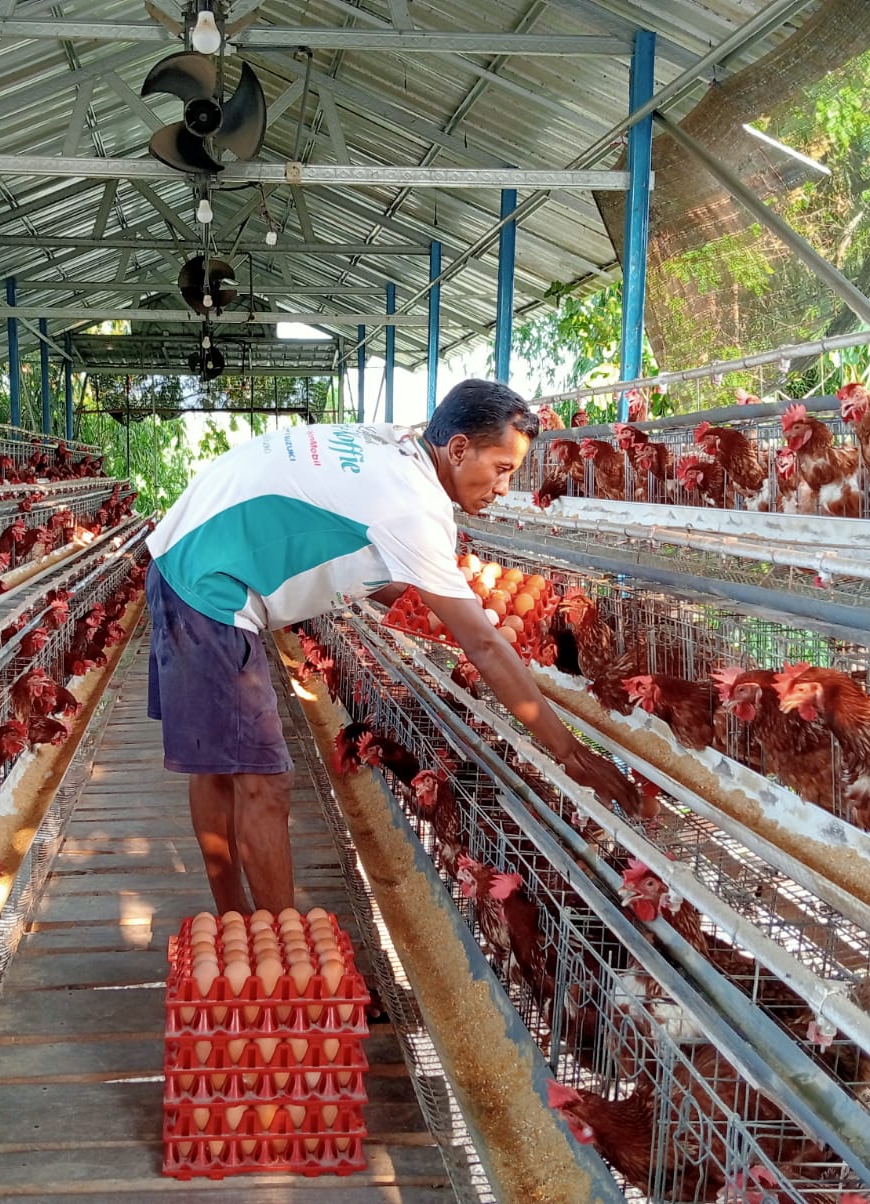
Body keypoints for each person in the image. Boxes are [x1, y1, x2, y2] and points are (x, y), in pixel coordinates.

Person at [144, 379, 634, 914]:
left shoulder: (397, 446)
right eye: (502, 468)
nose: (502, 488)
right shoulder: (415, 507)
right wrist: (568, 752)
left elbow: (351, 542)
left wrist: (431, 593)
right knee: (266, 782)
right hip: (208, 585)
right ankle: (274, 947)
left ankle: (236, 921)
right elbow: (486, 647)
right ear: (459, 448)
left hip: (185, 551)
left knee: (215, 763)